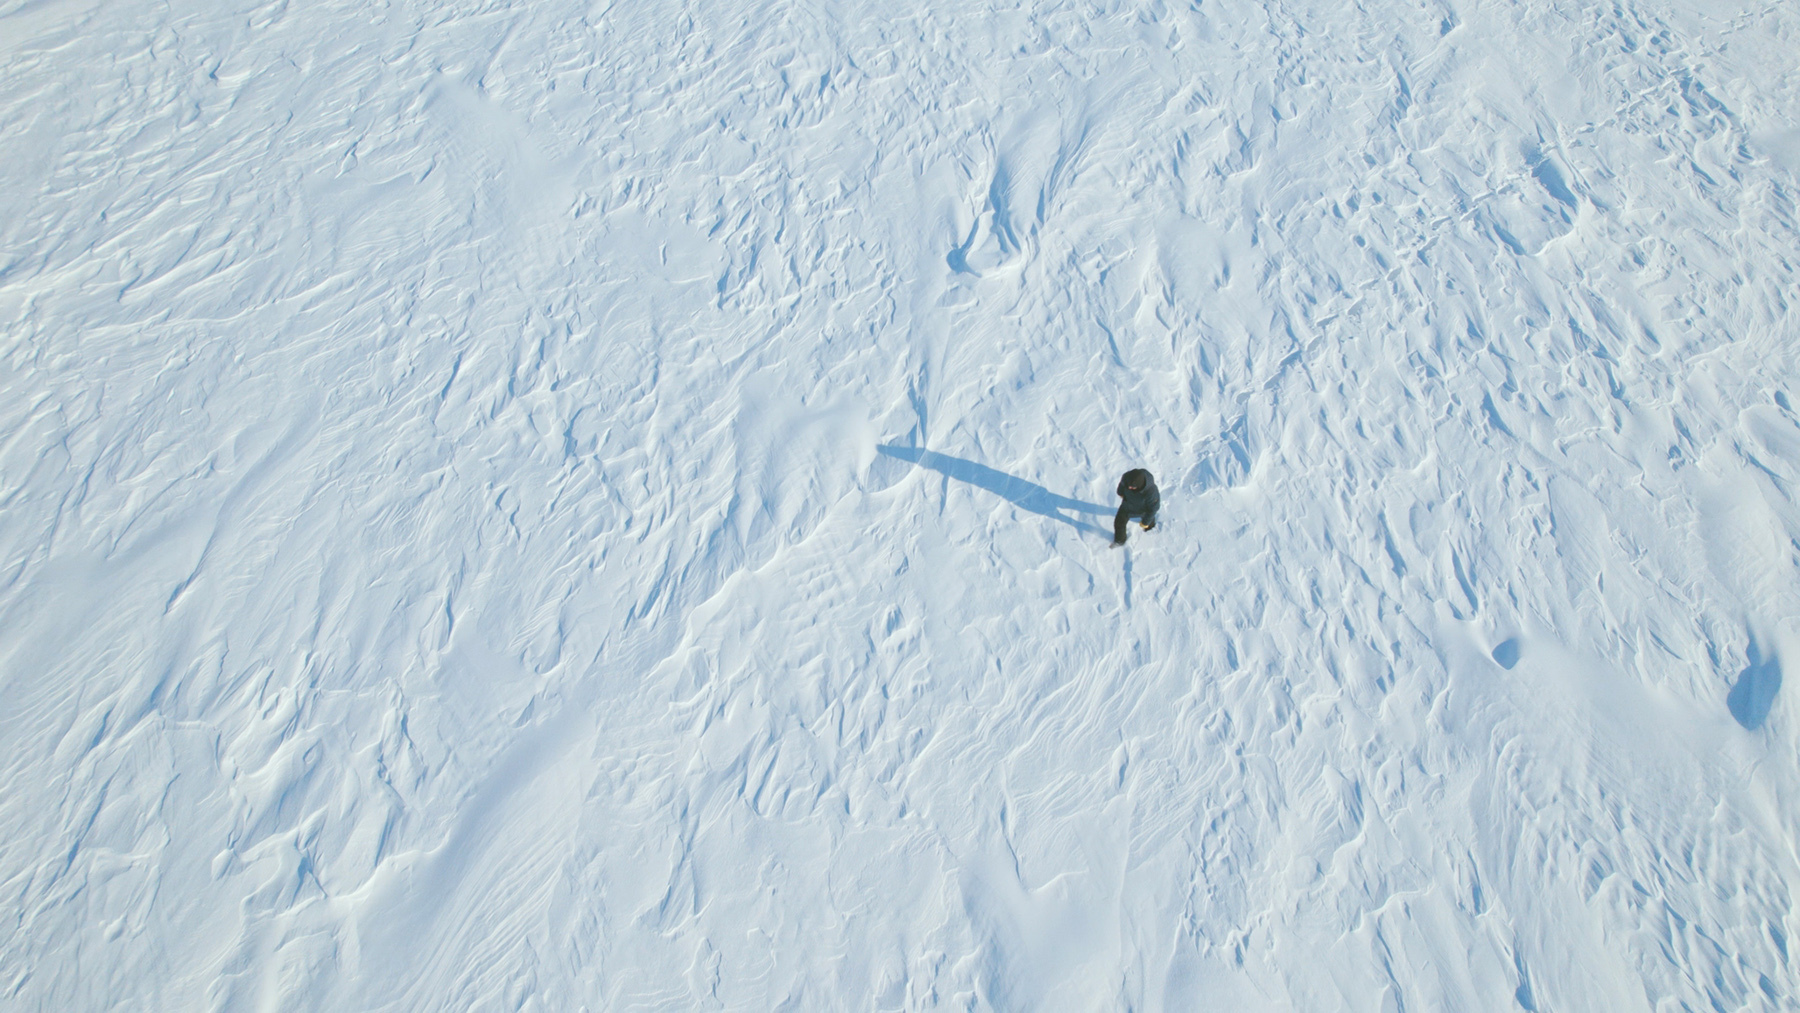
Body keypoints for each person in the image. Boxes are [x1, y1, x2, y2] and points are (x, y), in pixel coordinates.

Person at [1113, 468, 1159, 546]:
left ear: (1139, 486)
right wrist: (1120, 493)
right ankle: (1119, 541)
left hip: (1143, 510)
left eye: (1132, 487)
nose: (1129, 488)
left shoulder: (1151, 491)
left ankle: (1150, 530)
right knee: (1119, 523)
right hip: (1127, 507)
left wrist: (1145, 523)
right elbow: (1121, 487)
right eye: (1129, 486)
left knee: (1149, 520)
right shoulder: (1126, 479)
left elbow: (1153, 508)